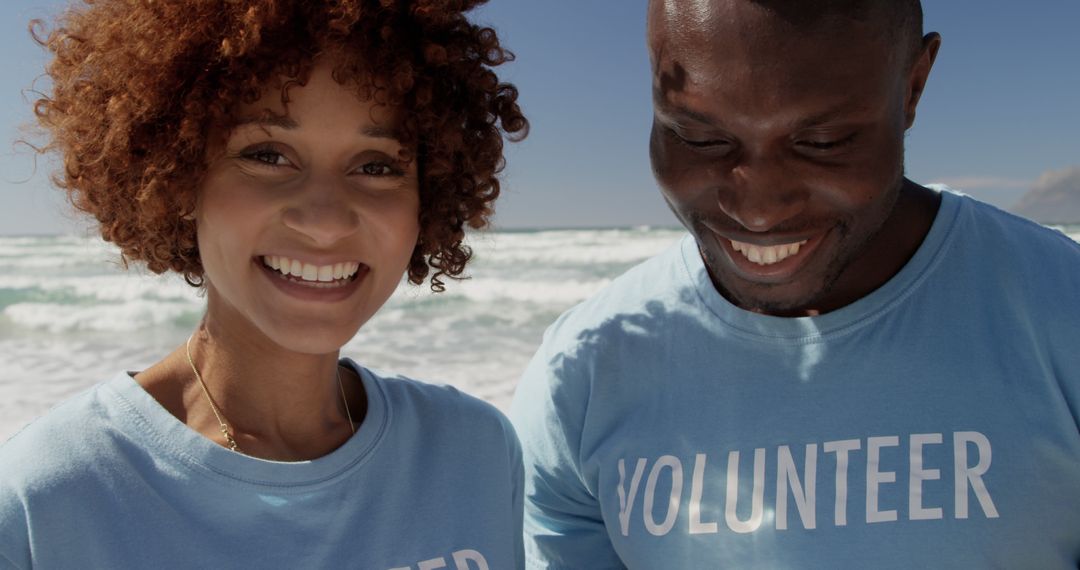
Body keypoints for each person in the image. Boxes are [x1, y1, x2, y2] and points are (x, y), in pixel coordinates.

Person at [511, 0, 1080, 567]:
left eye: (824, 142)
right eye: (700, 139)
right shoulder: (581, 377)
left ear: (913, 86)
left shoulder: (1061, 309)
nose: (758, 211)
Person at [0, 1, 527, 568]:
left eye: (376, 165)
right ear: (177, 179)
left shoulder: (477, 451)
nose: (326, 221)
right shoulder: (50, 495)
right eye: (268, 155)